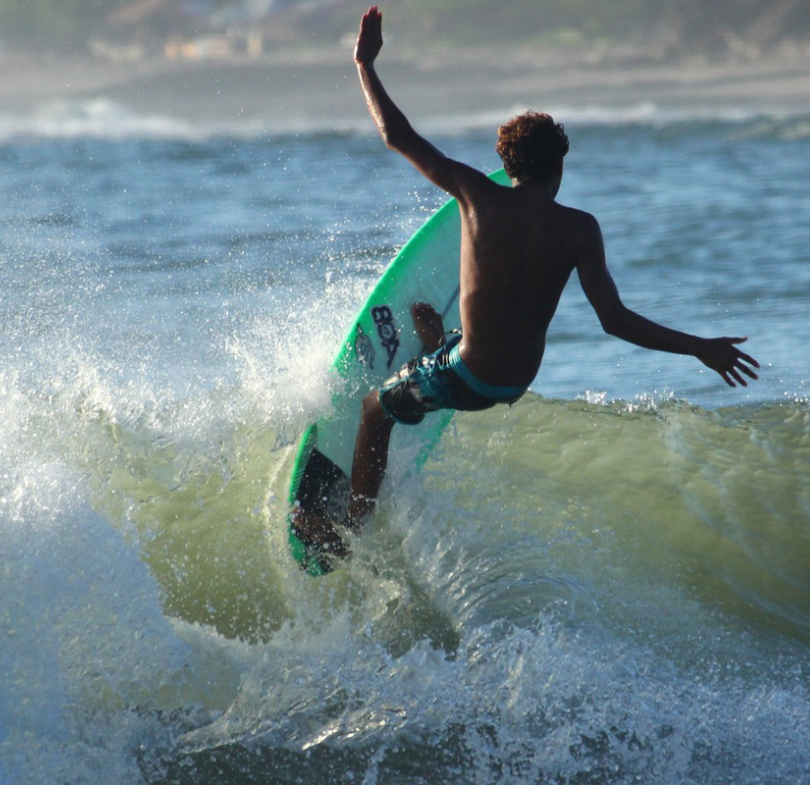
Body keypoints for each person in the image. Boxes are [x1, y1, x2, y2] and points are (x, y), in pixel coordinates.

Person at [291, 6, 760, 565]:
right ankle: (434, 342)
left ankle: (351, 531)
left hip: (468, 376)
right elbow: (616, 319)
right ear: (558, 168)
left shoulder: (476, 196)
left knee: (374, 408)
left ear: (505, 163)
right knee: (457, 338)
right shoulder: (579, 228)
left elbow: (396, 134)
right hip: (515, 382)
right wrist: (700, 348)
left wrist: (364, 63)